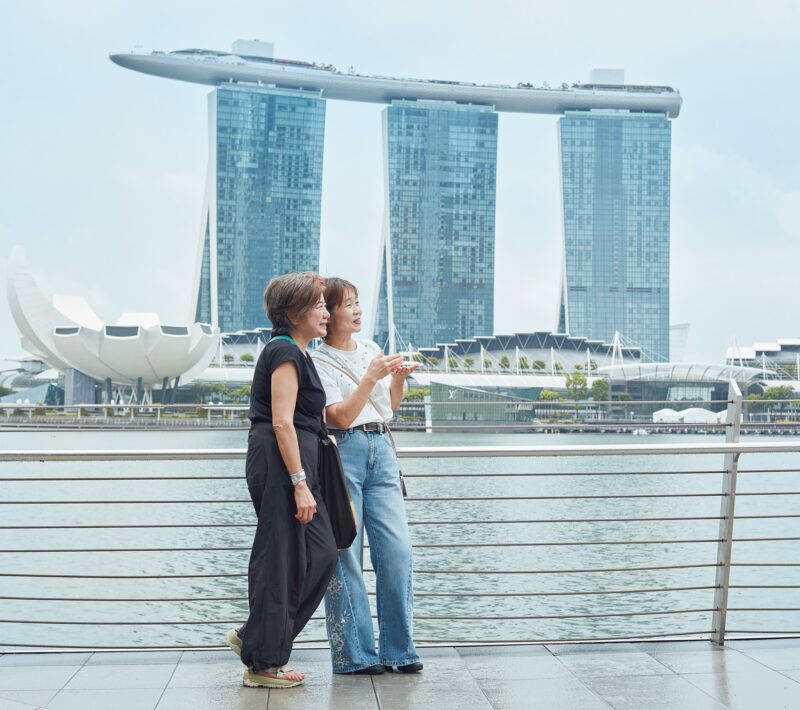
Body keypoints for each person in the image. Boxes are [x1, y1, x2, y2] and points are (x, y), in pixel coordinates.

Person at [226, 272, 338, 689]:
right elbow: (281, 421)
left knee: (323, 552)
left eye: (327, 305)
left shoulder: (300, 352)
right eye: (318, 306)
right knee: (281, 559)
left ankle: (257, 638)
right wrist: (299, 482)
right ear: (293, 313)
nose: (326, 313)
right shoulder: (284, 351)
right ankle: (264, 665)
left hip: (297, 465)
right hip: (281, 464)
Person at [312, 277, 423, 675]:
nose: (358, 311)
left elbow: (387, 408)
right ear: (328, 314)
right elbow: (338, 415)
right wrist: (370, 378)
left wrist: (396, 378)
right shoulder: (316, 358)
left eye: (359, 303)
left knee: (397, 551)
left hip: (382, 448)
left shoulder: (372, 349)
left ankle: (399, 650)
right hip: (344, 453)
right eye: (348, 305)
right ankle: (355, 656)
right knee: (346, 554)